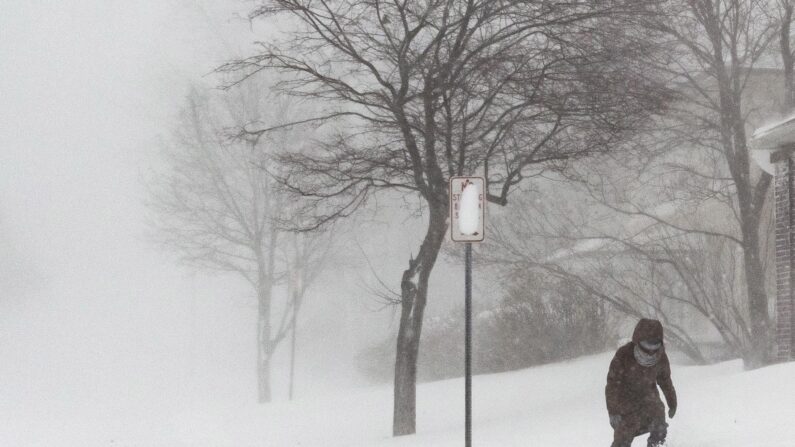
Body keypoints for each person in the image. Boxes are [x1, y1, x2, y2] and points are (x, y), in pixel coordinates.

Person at [605, 318, 677, 447]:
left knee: (659, 424)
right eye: (647, 344)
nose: (651, 350)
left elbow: (665, 380)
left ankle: (656, 445)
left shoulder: (661, 356)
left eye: (655, 344)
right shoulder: (624, 354)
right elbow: (612, 384)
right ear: (638, 340)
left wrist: (672, 402)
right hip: (625, 400)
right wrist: (613, 411)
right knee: (623, 436)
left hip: (649, 398)